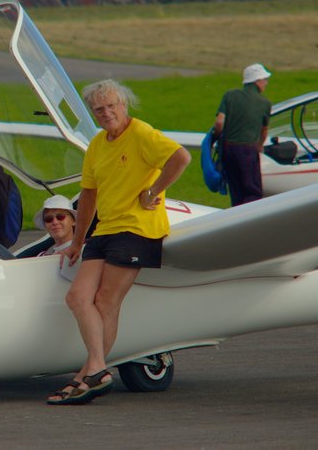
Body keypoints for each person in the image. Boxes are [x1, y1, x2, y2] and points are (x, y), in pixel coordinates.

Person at [47, 79, 191, 405]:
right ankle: (96, 370)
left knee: (106, 301)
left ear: (123, 105)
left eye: (112, 105)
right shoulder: (98, 144)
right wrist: (77, 240)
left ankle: (88, 375)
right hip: (105, 229)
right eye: (100, 109)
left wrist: (153, 192)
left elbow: (181, 158)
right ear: (94, 114)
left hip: (138, 228)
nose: (107, 112)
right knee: (77, 298)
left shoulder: (141, 133)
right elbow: (88, 196)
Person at [213, 63, 272, 206]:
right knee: (252, 192)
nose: (266, 83)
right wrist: (259, 146)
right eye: (264, 79)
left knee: (236, 191)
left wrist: (217, 138)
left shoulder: (230, 95)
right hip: (247, 152)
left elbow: (219, 123)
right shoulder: (264, 103)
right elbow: (264, 131)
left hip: (228, 150)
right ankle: (252, 224)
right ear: (257, 81)